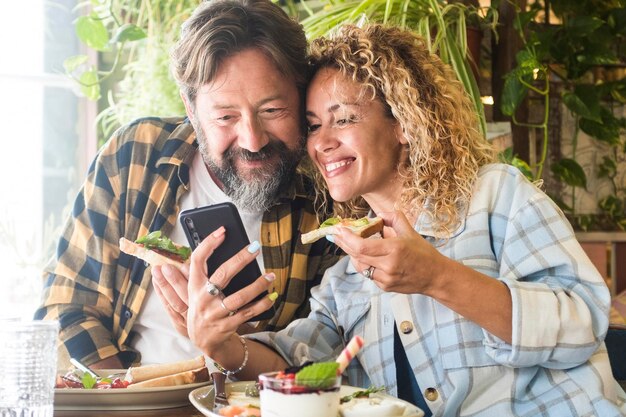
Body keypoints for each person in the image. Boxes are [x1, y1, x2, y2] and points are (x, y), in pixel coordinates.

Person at [178, 24, 626, 416]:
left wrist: (437, 277)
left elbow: (583, 322)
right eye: (313, 126)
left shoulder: (496, 197)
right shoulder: (346, 274)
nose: (323, 143)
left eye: (345, 119)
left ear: (404, 124)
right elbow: (299, 367)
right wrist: (222, 345)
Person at [34, 0, 339, 369]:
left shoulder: (329, 193)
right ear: (191, 109)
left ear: (301, 95)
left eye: (272, 111)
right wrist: (126, 399)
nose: (252, 140)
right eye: (226, 116)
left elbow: (325, 353)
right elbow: (66, 303)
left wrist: (232, 345)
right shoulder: (136, 153)